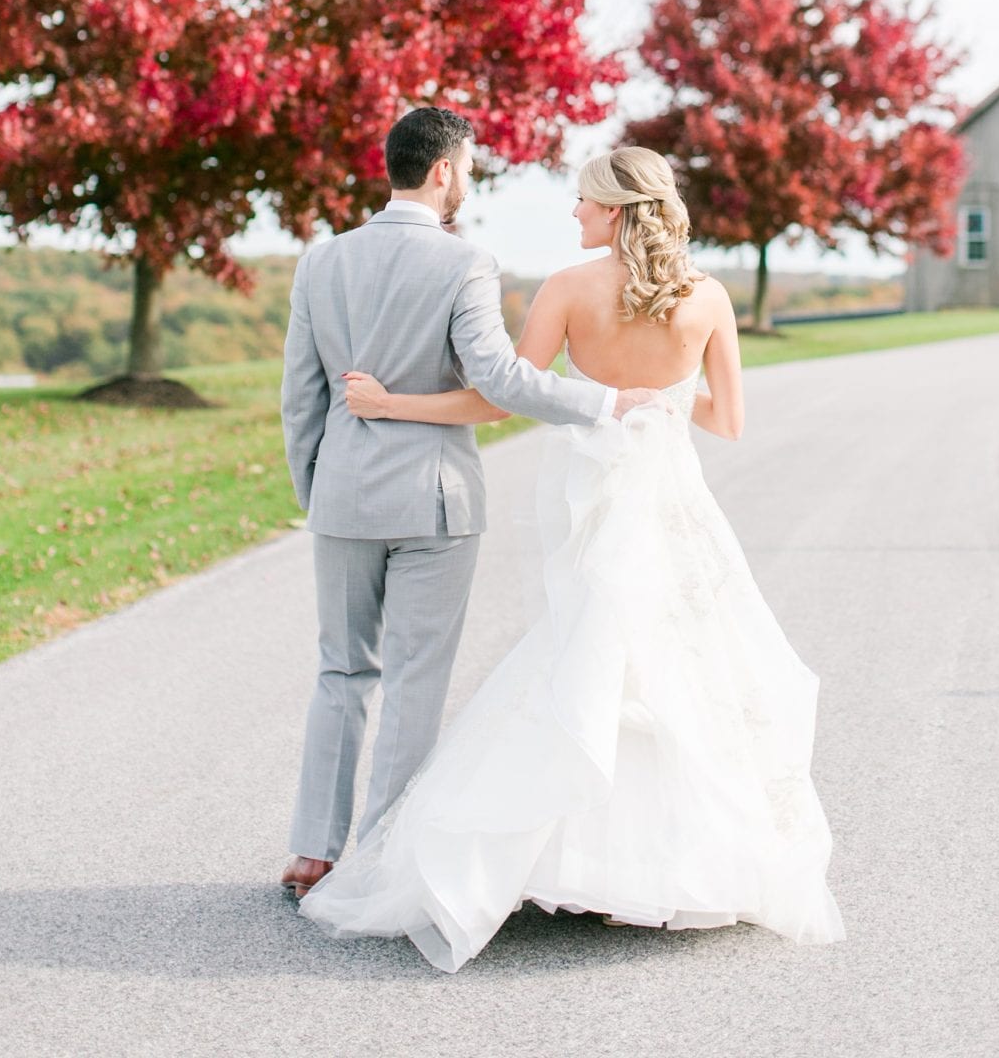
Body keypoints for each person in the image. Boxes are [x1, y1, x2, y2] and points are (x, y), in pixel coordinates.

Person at [298, 145, 846, 969]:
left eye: (585, 203)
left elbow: (497, 396)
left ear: (618, 211)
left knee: (587, 657)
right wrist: (664, 393)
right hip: (666, 500)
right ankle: (651, 874)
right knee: (666, 668)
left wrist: (388, 404)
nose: (574, 215)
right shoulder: (707, 298)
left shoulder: (567, 289)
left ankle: (567, 861)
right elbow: (729, 421)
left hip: (593, 499)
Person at [279, 108, 656, 902]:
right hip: (434, 506)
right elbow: (502, 379)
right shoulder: (465, 263)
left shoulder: (321, 263)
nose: (470, 180)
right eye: (469, 168)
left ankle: (313, 851)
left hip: (344, 498)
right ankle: (380, 853)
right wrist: (602, 403)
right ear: (444, 171)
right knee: (415, 679)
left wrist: (321, 492)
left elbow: (299, 401)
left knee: (340, 670)